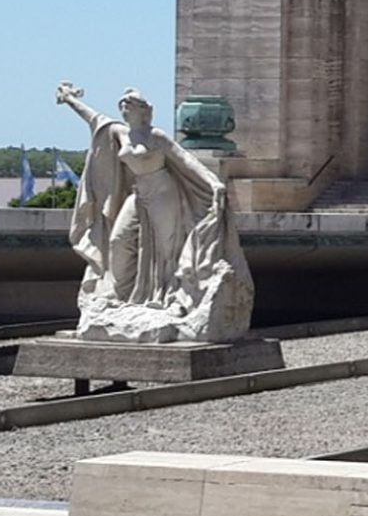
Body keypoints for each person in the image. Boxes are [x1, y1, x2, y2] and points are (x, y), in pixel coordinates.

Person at [55, 82, 252, 343]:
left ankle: (170, 299)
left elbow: (185, 160)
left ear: (143, 110)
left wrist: (213, 182)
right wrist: (69, 99)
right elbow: (94, 119)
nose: (124, 109)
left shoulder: (156, 136)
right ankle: (118, 294)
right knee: (119, 240)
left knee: (166, 247)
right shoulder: (120, 132)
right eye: (122, 105)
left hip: (162, 192)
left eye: (129, 105)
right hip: (139, 193)